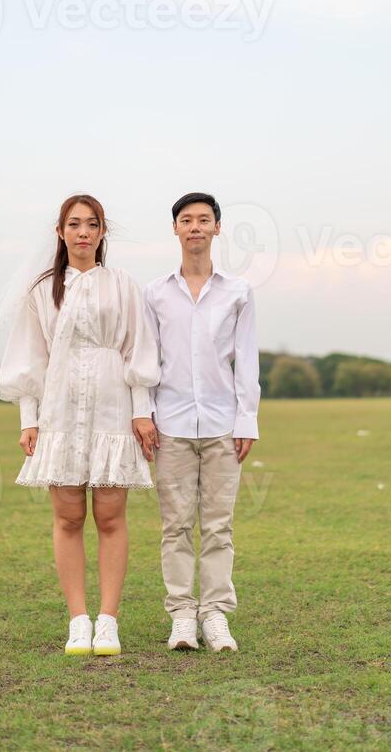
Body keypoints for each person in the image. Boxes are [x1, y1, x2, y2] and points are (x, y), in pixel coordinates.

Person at [0, 194, 160, 656]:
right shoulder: (42, 290)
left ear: (103, 233)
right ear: (60, 232)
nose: (83, 232)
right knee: (67, 517)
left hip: (112, 409)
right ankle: (77, 620)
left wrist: (141, 410)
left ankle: (109, 620)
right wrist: (30, 419)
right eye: (74, 224)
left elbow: (137, 350)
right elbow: (30, 356)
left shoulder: (124, 286)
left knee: (110, 515)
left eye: (92, 224)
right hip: (59, 410)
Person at [142, 192, 261, 653]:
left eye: (203, 220)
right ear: (175, 229)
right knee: (174, 527)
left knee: (217, 526)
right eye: (186, 220)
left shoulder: (238, 291)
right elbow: (148, 359)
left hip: (222, 425)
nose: (195, 227)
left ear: (217, 228)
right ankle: (181, 616)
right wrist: (146, 415)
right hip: (168, 425)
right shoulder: (154, 293)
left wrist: (246, 419)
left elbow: (246, 359)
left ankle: (215, 615)